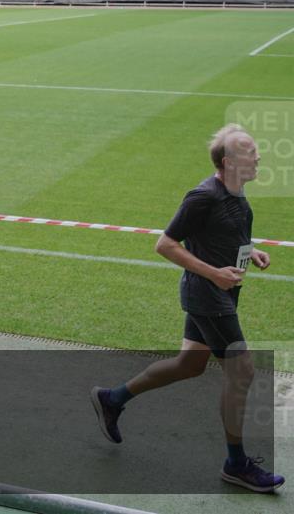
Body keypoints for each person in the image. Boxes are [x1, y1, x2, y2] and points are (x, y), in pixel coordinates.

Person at [90, 124, 284, 493]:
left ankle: (111, 398)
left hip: (220, 293)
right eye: (250, 152)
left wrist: (250, 248)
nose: (258, 156)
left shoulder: (235, 192)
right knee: (241, 370)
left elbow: (223, 232)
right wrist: (214, 273)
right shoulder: (202, 196)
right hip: (207, 295)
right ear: (228, 162)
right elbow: (165, 245)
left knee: (189, 364)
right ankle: (236, 463)